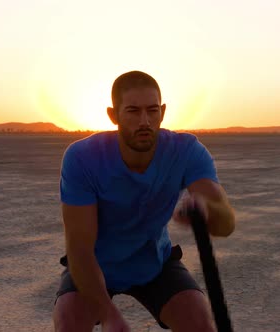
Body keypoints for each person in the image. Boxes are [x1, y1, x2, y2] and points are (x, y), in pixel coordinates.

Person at [52, 70, 235, 332]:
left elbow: (226, 225)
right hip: (95, 265)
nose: (145, 121)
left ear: (163, 111)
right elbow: (79, 249)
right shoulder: (83, 158)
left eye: (152, 110)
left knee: (200, 323)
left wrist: (209, 211)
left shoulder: (186, 151)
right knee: (69, 323)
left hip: (154, 264)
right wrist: (109, 315)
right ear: (113, 115)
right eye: (133, 111)